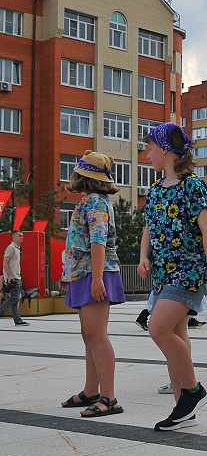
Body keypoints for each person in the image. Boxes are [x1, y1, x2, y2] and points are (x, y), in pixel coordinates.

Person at [138, 122, 207, 432]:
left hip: (188, 271)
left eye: (150, 148)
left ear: (165, 151)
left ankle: (193, 391)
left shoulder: (193, 186)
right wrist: (143, 256)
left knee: (157, 327)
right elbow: (149, 227)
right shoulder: (155, 190)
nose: (147, 154)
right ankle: (183, 409)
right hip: (163, 274)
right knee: (175, 333)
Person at [58, 151, 125, 417]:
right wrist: (70, 273)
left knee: (97, 336)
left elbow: (98, 241)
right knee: (89, 336)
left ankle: (109, 397)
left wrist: (96, 278)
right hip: (84, 272)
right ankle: (91, 391)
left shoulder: (95, 202)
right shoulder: (91, 201)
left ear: (83, 177)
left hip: (95, 272)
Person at [0, 230, 28, 326]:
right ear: (14, 237)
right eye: (19, 236)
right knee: (14, 299)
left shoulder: (17, 248)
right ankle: (17, 319)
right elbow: (5, 263)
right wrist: (9, 276)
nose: (22, 237)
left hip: (16, 277)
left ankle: (17, 320)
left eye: (22, 236)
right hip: (13, 278)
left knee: (15, 299)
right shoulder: (11, 248)